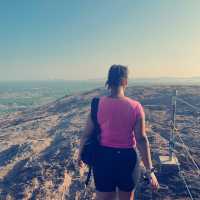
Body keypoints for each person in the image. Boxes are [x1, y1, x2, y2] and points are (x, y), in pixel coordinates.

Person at [78, 65, 159, 200]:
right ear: (125, 82)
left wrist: (79, 155)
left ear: (108, 82)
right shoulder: (136, 107)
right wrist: (150, 171)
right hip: (127, 160)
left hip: (103, 159)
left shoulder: (97, 105)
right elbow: (141, 140)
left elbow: (86, 135)